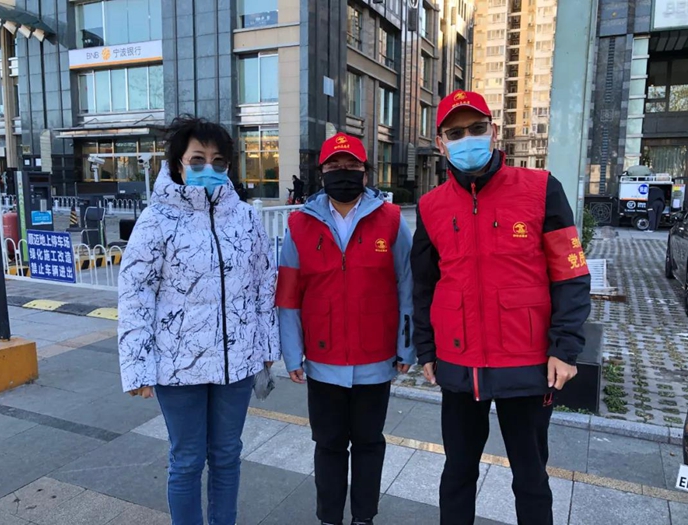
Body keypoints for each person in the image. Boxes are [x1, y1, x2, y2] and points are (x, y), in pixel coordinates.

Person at [411, 90, 591, 525]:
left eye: (476, 129)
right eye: (456, 133)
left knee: (530, 477)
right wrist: (426, 348)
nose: (467, 139)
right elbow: (424, 285)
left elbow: (570, 273)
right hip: (459, 361)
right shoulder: (431, 207)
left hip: (528, 362)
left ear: (493, 131)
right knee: (457, 473)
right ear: (440, 143)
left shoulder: (542, 189)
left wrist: (565, 348)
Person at [118, 116, 280, 525]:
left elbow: (264, 284)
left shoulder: (246, 218)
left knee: (227, 455)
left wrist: (266, 347)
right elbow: (136, 294)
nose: (209, 168)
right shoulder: (156, 220)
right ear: (178, 163)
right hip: (178, 366)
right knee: (187, 459)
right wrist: (137, 367)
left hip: (236, 363)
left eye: (218, 161)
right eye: (197, 159)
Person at [276, 132, 415, 525]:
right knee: (329, 445)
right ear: (322, 173)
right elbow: (288, 295)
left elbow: (407, 285)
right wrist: (292, 354)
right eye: (334, 167)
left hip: (376, 361)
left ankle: (363, 518)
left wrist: (406, 347)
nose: (343, 172)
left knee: (369, 444)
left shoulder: (391, 220)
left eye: (351, 166)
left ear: (365, 173)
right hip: (323, 362)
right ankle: (329, 518)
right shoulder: (299, 224)